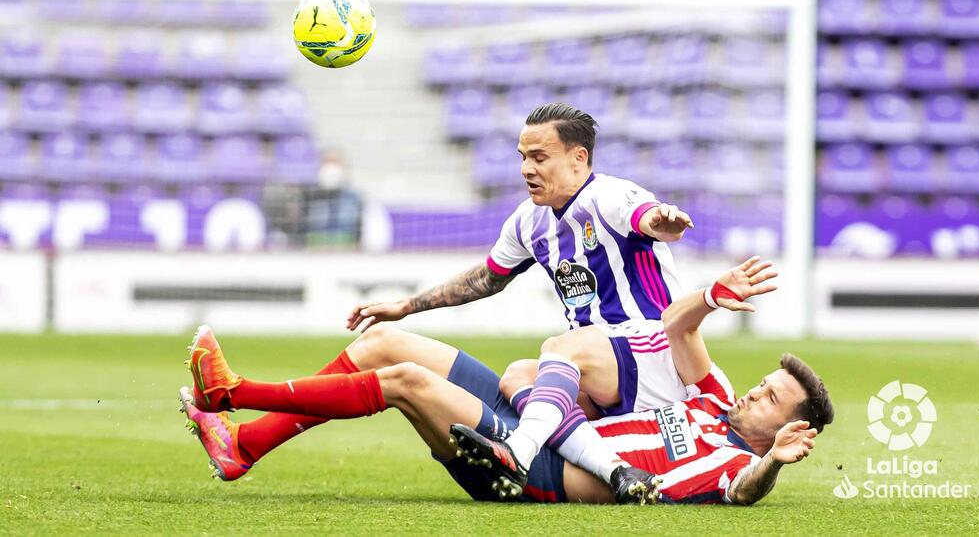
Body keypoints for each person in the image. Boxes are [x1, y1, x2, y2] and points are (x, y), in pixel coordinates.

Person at [180, 258, 833, 505]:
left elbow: (746, 492)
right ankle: (244, 447)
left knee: (405, 378)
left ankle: (232, 392)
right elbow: (680, 327)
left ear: (790, 427)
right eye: (762, 383)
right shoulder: (714, 399)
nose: (753, 392)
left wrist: (772, 462)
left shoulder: (735, 461)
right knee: (381, 342)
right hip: (544, 427)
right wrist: (710, 297)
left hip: (533, 473)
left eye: (770, 397)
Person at [344, 102, 696, 487]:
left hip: (652, 361)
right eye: (523, 157)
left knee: (560, 349)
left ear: (579, 158)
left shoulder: (612, 195)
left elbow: (645, 216)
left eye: (539, 157)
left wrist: (661, 222)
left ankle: (519, 452)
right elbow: (487, 278)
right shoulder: (530, 219)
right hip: (597, 373)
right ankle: (614, 470)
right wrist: (407, 306)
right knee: (519, 375)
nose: (526, 169)